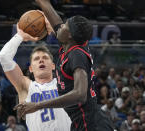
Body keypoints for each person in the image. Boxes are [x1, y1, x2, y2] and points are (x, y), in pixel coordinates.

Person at [14, 0, 114, 130]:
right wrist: (43, 3)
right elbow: (54, 18)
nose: (60, 26)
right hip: (83, 121)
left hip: (91, 124)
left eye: (64, 26)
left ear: (70, 35)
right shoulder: (68, 43)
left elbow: (80, 94)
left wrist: (37, 105)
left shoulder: (76, 54)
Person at [0, 18, 71, 130]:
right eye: (37, 59)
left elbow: (74, 50)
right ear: (31, 68)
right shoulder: (26, 86)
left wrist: (56, 29)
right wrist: (20, 36)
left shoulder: (64, 83)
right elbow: (4, 57)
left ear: (53, 65)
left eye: (45, 58)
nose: (41, 60)